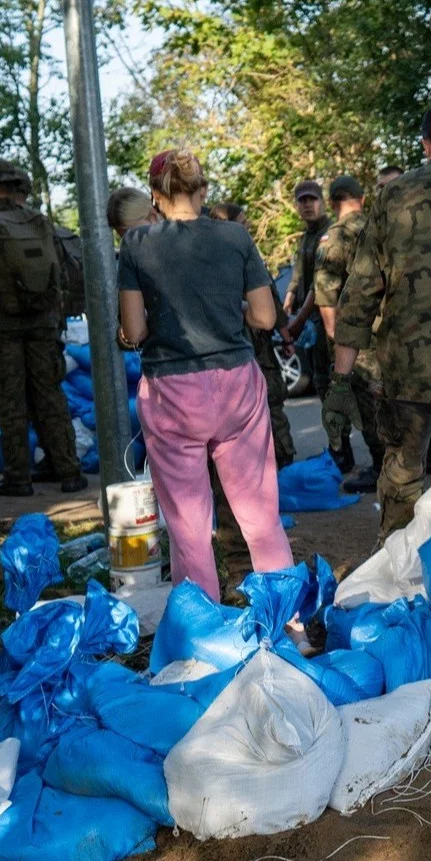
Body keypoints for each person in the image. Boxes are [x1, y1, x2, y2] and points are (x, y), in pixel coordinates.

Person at [118, 150, 296, 600]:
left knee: (189, 527)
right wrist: (225, 310)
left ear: (155, 197)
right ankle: (289, 624)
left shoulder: (137, 245)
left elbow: (135, 330)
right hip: (237, 383)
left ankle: (202, 634)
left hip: (172, 392)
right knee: (261, 518)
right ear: (204, 190)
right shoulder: (235, 237)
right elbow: (265, 317)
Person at [332, 100, 431, 540]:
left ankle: (398, 571)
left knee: (402, 475)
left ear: (426, 145)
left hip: (408, 369)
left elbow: (359, 292)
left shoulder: (394, 195)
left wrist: (339, 381)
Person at [0, 160, 85, 497]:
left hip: (0, 327)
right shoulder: (39, 221)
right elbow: (61, 275)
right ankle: (67, 471)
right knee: (50, 395)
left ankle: (18, 478)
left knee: (11, 401)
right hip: (44, 325)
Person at [207, 201, 296, 467]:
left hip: (258, 345)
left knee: (272, 406)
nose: (248, 230)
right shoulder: (225, 260)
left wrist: (286, 337)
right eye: (242, 225)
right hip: (241, 349)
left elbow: (274, 303)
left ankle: (282, 463)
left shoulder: (242, 255)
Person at [314, 174, 376, 485]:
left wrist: (333, 337)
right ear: (361, 199)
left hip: (352, 332)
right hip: (385, 328)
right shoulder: (379, 225)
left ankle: (379, 465)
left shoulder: (334, 236)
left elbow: (325, 289)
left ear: (332, 203)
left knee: (361, 395)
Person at [282, 178, 332, 406]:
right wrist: (289, 297)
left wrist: (301, 318)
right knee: (321, 379)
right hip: (312, 319)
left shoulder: (330, 233)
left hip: (328, 316)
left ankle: (342, 440)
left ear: (322, 202)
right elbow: (299, 275)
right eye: (303, 201)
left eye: (312, 199)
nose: (308, 205)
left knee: (332, 381)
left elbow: (321, 282)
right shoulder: (306, 237)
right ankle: (338, 440)